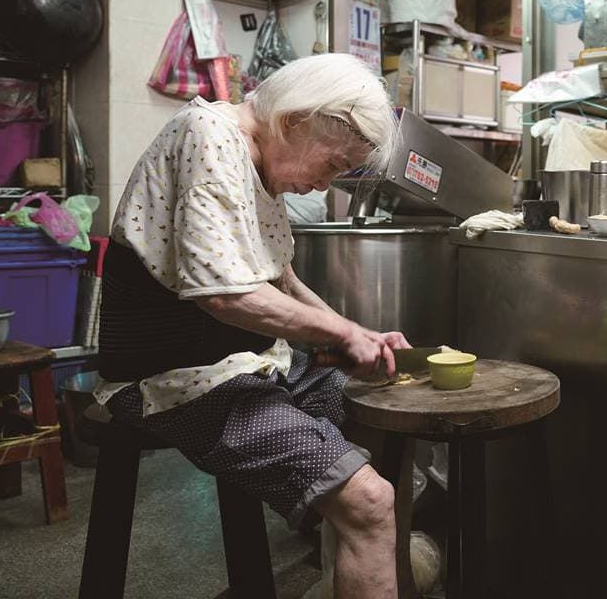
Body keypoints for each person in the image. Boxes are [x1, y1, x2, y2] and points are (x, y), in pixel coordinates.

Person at [94, 53, 407, 599]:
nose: (324, 183)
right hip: (177, 381)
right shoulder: (208, 133)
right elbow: (224, 293)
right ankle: (359, 528)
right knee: (371, 501)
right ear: (292, 122)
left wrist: (358, 333)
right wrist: (339, 335)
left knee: (380, 414)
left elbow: (279, 280)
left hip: (254, 367)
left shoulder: (260, 161)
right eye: (332, 165)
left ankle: (350, 560)